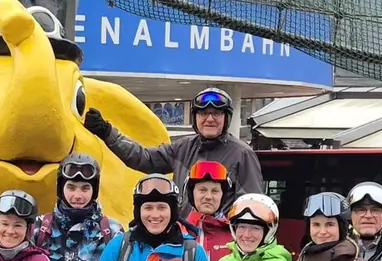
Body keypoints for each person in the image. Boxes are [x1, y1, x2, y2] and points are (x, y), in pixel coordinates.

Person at [83, 87, 264, 213]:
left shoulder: (242, 154)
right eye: (203, 113)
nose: (209, 119)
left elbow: (252, 205)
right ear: (195, 118)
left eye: (217, 113)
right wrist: (107, 132)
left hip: (223, 245)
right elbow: (144, 158)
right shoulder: (183, 147)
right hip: (183, 240)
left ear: (227, 118)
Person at [184, 159, 234, 261]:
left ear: (223, 196)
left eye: (215, 191)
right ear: (191, 193)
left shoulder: (235, 234)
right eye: (202, 190)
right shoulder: (177, 232)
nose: (208, 197)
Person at [347, 182, 382, 261]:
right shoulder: (336, 250)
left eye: (375, 210)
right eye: (361, 210)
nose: (368, 216)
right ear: (350, 215)